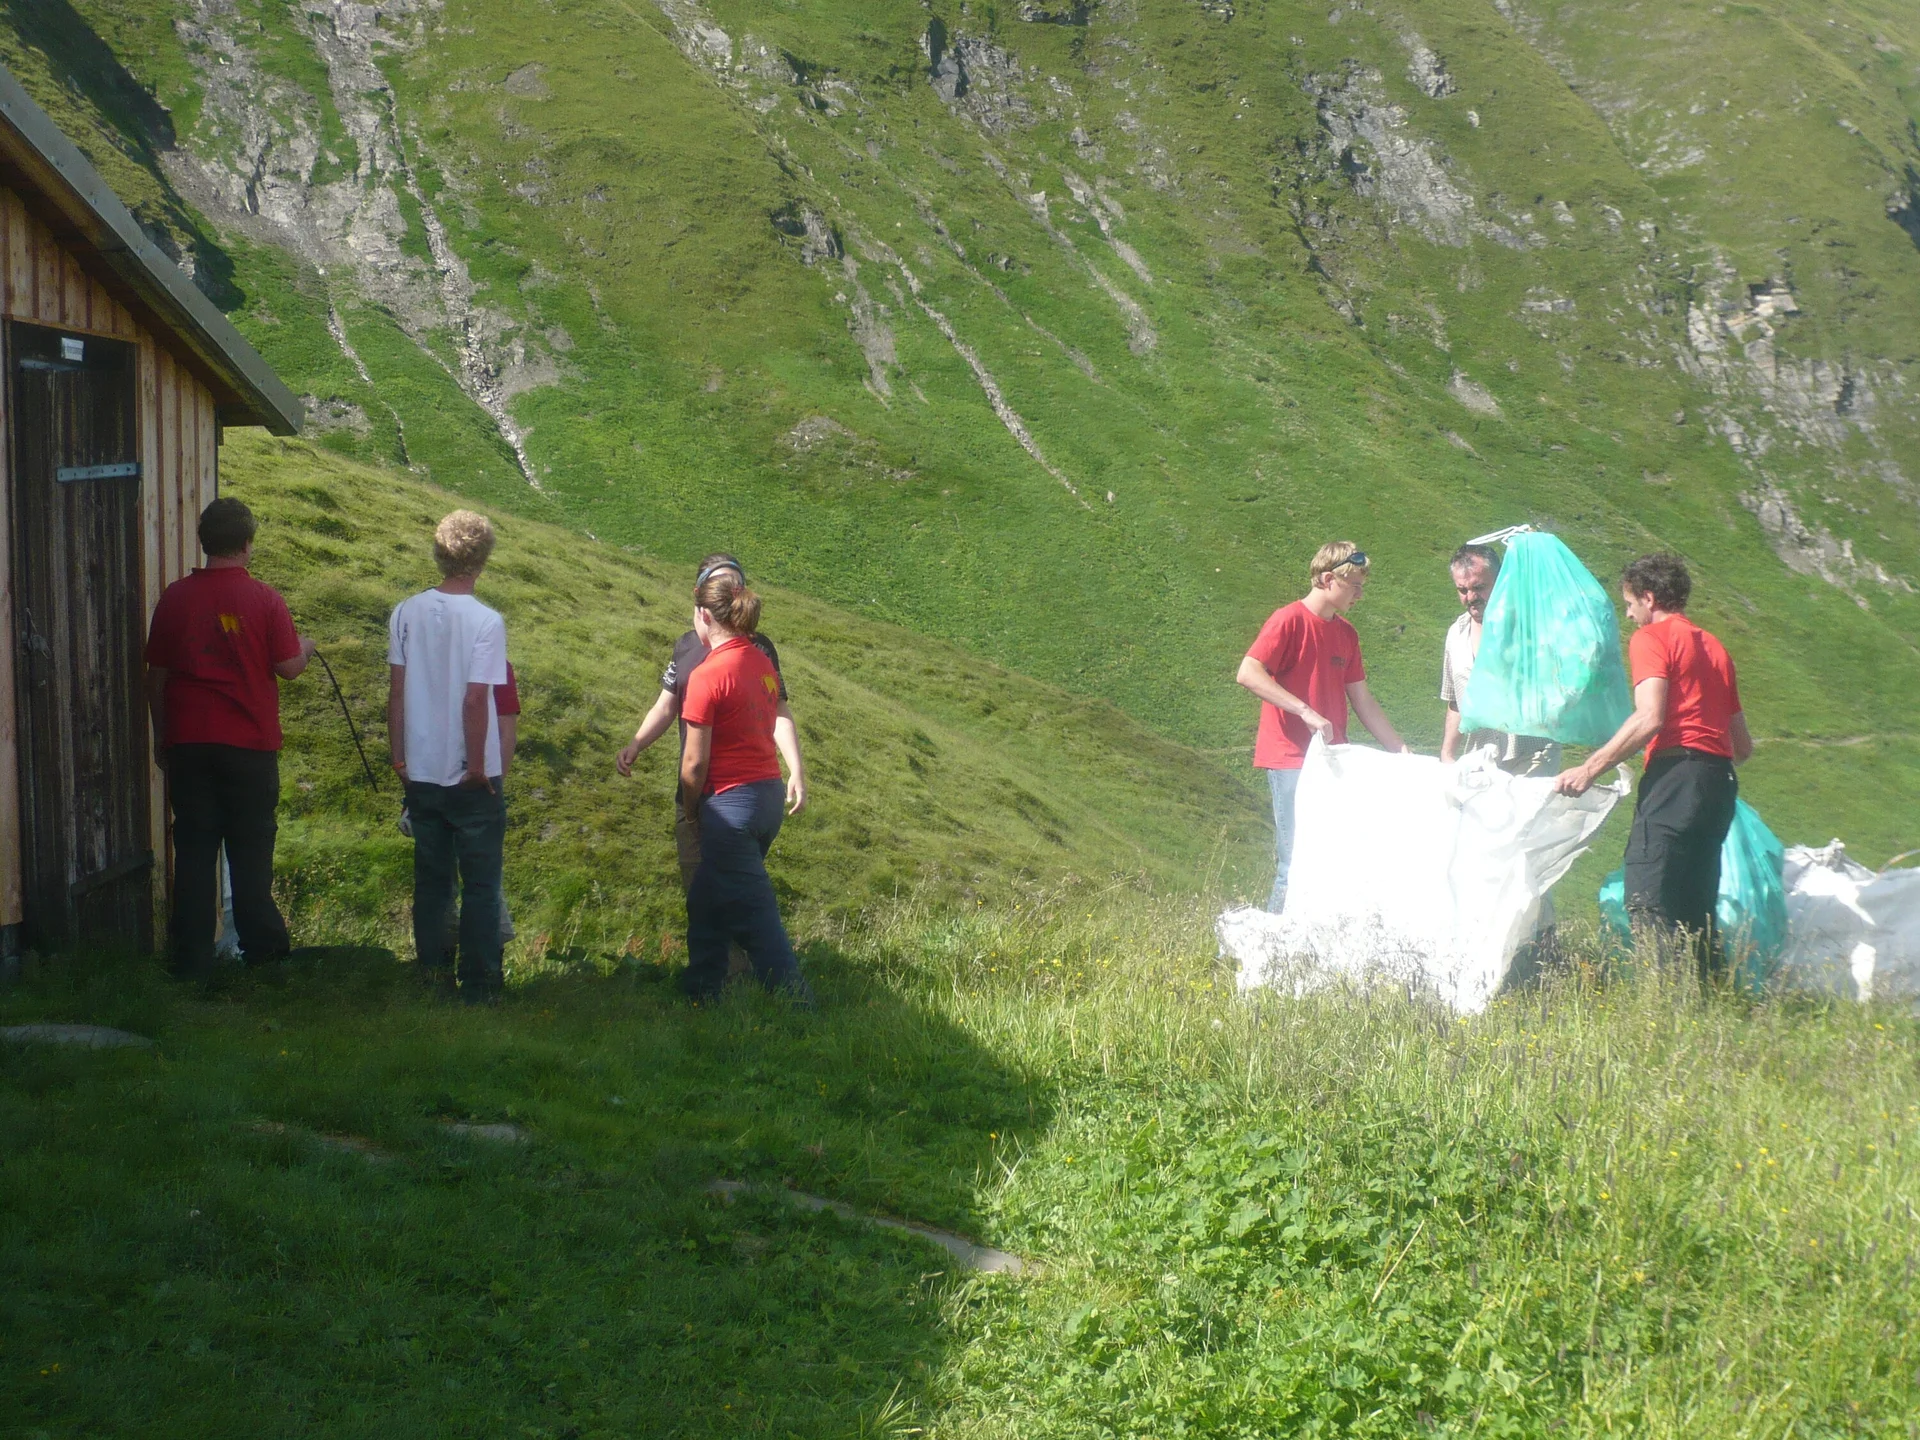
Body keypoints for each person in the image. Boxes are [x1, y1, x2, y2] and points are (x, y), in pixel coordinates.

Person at [1553, 553, 1752, 977]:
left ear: (1649, 598)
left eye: (1630, 604)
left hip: (1675, 775)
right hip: (1719, 782)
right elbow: (1743, 746)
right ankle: (1710, 998)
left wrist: (1588, 770)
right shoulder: (1716, 648)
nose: (1628, 615)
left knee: (1648, 896)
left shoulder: (1652, 638)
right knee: (1696, 904)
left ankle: (1665, 1001)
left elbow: (1650, 717)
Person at [145, 497, 316, 979]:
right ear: (246, 544)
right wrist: (306, 647)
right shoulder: (264, 599)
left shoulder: (175, 598)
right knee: (251, 852)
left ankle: (191, 963)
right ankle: (264, 958)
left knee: (195, 851)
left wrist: (162, 737)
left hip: (189, 744)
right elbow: (289, 668)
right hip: (249, 747)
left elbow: (156, 677)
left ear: (204, 543)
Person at [616, 554, 807, 980]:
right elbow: (666, 705)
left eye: (736, 586)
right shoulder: (686, 648)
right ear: (702, 598)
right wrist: (636, 744)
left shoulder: (758, 649)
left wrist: (795, 768)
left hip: (725, 794)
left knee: (735, 893)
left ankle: (764, 986)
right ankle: (710, 983)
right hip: (708, 790)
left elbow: (777, 710)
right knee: (703, 891)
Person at [1235, 541, 1408, 914]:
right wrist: (1304, 711)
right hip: (1291, 759)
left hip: (1332, 760)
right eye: (1355, 586)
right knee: (1294, 863)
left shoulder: (1347, 634)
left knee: (1330, 862)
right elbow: (1248, 672)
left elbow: (1363, 700)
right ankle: (1275, 941)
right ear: (1329, 580)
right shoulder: (1288, 620)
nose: (1360, 595)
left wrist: (1400, 750)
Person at [388, 511, 510, 1003]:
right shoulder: (486, 621)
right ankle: (479, 986)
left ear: (439, 554)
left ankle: (432, 978)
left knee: (432, 882)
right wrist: (477, 767)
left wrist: (399, 759)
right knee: (480, 885)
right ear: (482, 559)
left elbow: (397, 692)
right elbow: (475, 699)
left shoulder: (405, 612)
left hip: (420, 770)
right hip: (471, 775)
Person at [676, 567, 812, 1004]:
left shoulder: (708, 675)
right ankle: (702, 991)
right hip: (767, 797)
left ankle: (798, 1006)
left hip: (729, 809)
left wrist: (692, 810)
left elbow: (694, 764)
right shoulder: (761, 662)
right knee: (706, 899)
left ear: (704, 615)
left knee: (757, 918)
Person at [401, 661, 520, 952]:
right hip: (462, 787)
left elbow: (505, 732)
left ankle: (436, 968)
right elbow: (506, 731)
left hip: (435, 785)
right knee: (478, 883)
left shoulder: (423, 660)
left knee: (437, 884)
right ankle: (481, 968)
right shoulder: (492, 661)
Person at [1438, 543, 1560, 775]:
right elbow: (1455, 701)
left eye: (1479, 588)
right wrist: (1447, 753)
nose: (1471, 597)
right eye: (1462, 590)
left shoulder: (1530, 626)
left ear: (1501, 581)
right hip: (1479, 757)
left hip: (1533, 755)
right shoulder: (1456, 633)